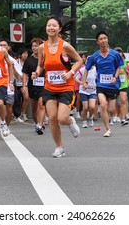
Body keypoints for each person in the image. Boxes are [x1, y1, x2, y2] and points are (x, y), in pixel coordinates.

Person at [33, 16, 83, 157]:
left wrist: (71, 73)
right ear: (46, 28)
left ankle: (70, 120)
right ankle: (59, 147)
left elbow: (79, 60)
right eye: (49, 25)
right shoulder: (42, 47)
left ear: (59, 28)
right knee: (52, 118)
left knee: (62, 118)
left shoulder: (65, 46)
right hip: (49, 87)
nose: (51, 28)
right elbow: (41, 65)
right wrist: (36, 73)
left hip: (66, 87)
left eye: (54, 25)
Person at [83, 31, 123, 137]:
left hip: (113, 85)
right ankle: (107, 129)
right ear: (97, 42)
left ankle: (110, 118)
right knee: (103, 105)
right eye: (101, 39)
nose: (103, 40)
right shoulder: (95, 56)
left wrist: (115, 77)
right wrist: (84, 82)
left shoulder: (114, 54)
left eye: (105, 38)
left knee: (111, 109)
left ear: (107, 39)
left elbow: (119, 67)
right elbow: (86, 69)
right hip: (100, 85)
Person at [22, 37, 46, 135]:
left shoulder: (45, 58)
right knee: (34, 107)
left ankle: (40, 124)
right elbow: (24, 74)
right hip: (32, 86)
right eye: (33, 46)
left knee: (41, 104)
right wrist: (24, 85)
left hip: (44, 86)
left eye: (36, 46)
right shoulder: (29, 60)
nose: (34, 48)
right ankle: (37, 124)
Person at [75, 57, 96, 128]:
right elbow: (75, 78)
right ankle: (84, 121)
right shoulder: (82, 70)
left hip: (92, 91)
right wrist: (82, 83)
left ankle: (90, 117)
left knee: (92, 107)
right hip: (83, 91)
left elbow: (99, 79)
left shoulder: (96, 70)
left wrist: (96, 85)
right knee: (85, 107)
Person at [13, 48, 29, 123]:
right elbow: (15, 72)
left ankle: (23, 113)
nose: (25, 55)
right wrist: (20, 77)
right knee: (17, 100)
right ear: (20, 55)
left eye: (26, 53)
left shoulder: (28, 62)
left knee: (26, 97)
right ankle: (16, 114)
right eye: (24, 53)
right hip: (17, 83)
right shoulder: (16, 62)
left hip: (25, 84)